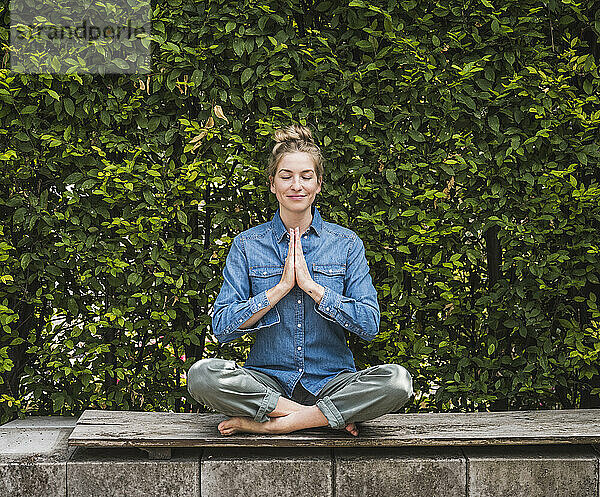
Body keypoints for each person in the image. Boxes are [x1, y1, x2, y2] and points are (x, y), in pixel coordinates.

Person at [186, 124, 413, 436]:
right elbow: (222, 327)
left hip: (333, 382)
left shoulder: (345, 243)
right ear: (272, 184)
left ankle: (275, 426)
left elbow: (369, 324)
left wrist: (312, 287)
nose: (297, 185)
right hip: (267, 383)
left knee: (397, 381)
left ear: (318, 184)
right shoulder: (247, 245)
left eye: (306, 176)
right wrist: (278, 290)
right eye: (286, 176)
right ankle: (314, 417)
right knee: (202, 375)